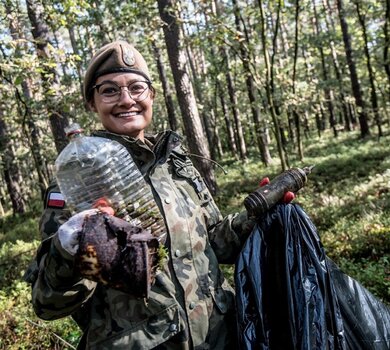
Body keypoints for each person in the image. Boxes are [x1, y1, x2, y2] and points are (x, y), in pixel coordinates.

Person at [28, 40, 257, 349]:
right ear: (92, 103)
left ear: (151, 95)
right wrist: (68, 251)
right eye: (109, 90)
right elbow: (47, 304)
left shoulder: (176, 165)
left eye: (136, 88)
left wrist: (257, 212)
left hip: (219, 336)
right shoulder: (75, 185)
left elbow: (214, 244)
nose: (126, 100)